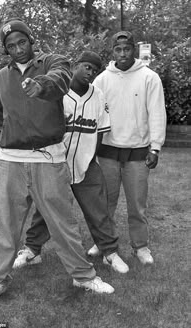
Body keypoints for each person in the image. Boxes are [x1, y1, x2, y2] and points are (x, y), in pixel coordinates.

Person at [0, 18, 115, 305]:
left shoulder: (53, 62)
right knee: (6, 223)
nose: (18, 49)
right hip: (11, 160)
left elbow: (60, 80)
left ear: (31, 40)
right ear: (6, 50)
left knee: (63, 222)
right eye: (11, 46)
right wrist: (18, 131)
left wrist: (40, 86)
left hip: (49, 159)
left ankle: (84, 276)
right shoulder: (2, 77)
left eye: (22, 42)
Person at [13, 51, 129, 274]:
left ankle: (109, 252)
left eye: (94, 70)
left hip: (86, 164)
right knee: (46, 210)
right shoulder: (58, 93)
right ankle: (32, 250)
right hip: (56, 163)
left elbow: (100, 132)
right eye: (86, 67)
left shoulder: (98, 96)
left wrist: (90, 159)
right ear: (75, 65)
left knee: (98, 211)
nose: (90, 72)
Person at [90, 31, 167, 264]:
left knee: (137, 204)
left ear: (134, 49)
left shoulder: (149, 77)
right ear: (112, 51)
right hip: (108, 153)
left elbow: (156, 112)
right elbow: (92, 115)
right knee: (105, 203)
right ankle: (102, 243)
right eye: (118, 49)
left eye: (127, 48)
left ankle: (140, 246)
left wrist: (155, 147)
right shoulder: (102, 79)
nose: (122, 53)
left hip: (138, 152)